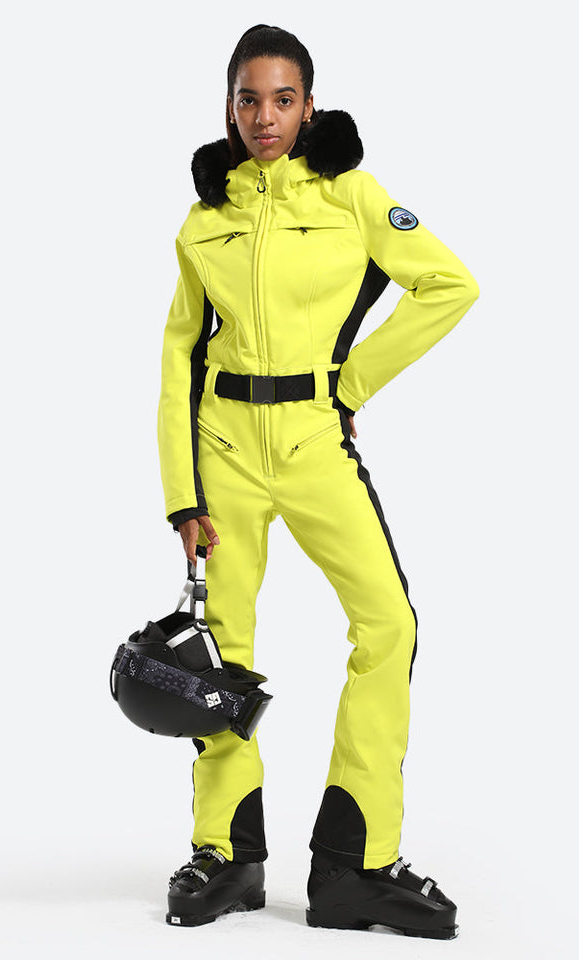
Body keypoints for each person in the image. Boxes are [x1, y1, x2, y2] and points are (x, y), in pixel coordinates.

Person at [156, 24, 479, 937]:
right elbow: (180, 353)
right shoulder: (204, 219)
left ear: (309, 105)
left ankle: (354, 863)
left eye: (283, 99)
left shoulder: (351, 195)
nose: (265, 117)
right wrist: (183, 493)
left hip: (313, 440)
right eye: (248, 99)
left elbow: (449, 285)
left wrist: (353, 383)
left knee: (388, 623)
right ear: (229, 107)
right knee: (221, 651)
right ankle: (227, 855)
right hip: (223, 444)